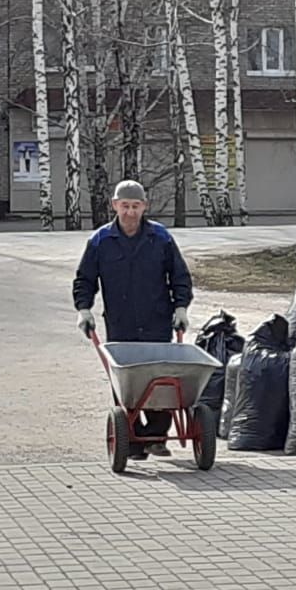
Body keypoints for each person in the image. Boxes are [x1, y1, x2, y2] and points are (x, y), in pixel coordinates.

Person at [73, 180, 193, 457]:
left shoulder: (160, 238)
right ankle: (134, 439)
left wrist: (181, 308)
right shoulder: (101, 240)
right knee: (127, 383)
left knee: (161, 379)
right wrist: (84, 309)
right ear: (115, 205)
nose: (130, 212)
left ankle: (156, 435)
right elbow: (85, 279)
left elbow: (179, 276)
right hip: (121, 323)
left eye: (135, 206)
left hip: (157, 321)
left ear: (144, 207)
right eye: (124, 206)